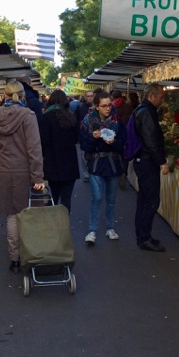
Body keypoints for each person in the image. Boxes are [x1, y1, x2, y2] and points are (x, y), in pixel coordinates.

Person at [0, 81, 44, 274]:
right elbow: (34, 148)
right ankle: (30, 254)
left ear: (5, 95)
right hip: (24, 171)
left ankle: (15, 259)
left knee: (12, 215)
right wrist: (38, 177)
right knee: (27, 214)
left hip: (5, 170)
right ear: (23, 96)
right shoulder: (28, 116)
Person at [79, 90, 126, 245]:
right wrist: (93, 138)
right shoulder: (88, 121)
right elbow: (84, 145)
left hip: (113, 164)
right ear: (97, 106)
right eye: (104, 106)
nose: (108, 108)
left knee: (111, 199)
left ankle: (110, 228)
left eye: (109, 105)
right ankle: (92, 230)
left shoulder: (117, 121)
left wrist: (114, 143)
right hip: (96, 164)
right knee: (97, 197)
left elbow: (124, 143)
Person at [131, 83, 169, 252]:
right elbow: (151, 140)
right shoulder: (146, 113)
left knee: (144, 200)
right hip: (147, 162)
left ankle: (143, 235)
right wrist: (162, 161)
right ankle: (144, 237)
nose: (163, 100)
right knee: (151, 201)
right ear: (152, 96)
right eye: (161, 97)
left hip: (143, 160)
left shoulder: (143, 110)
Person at [40, 90, 79, 213]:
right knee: (66, 199)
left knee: (53, 198)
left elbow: (43, 140)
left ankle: (52, 227)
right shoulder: (71, 117)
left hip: (53, 164)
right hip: (70, 163)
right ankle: (64, 226)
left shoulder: (46, 117)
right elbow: (76, 139)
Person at [75, 90, 94, 182]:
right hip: (84, 135)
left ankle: (92, 172)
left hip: (95, 135)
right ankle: (86, 174)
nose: (90, 97)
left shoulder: (97, 107)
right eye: (88, 96)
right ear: (85, 97)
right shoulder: (80, 107)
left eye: (91, 96)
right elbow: (76, 120)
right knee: (83, 155)